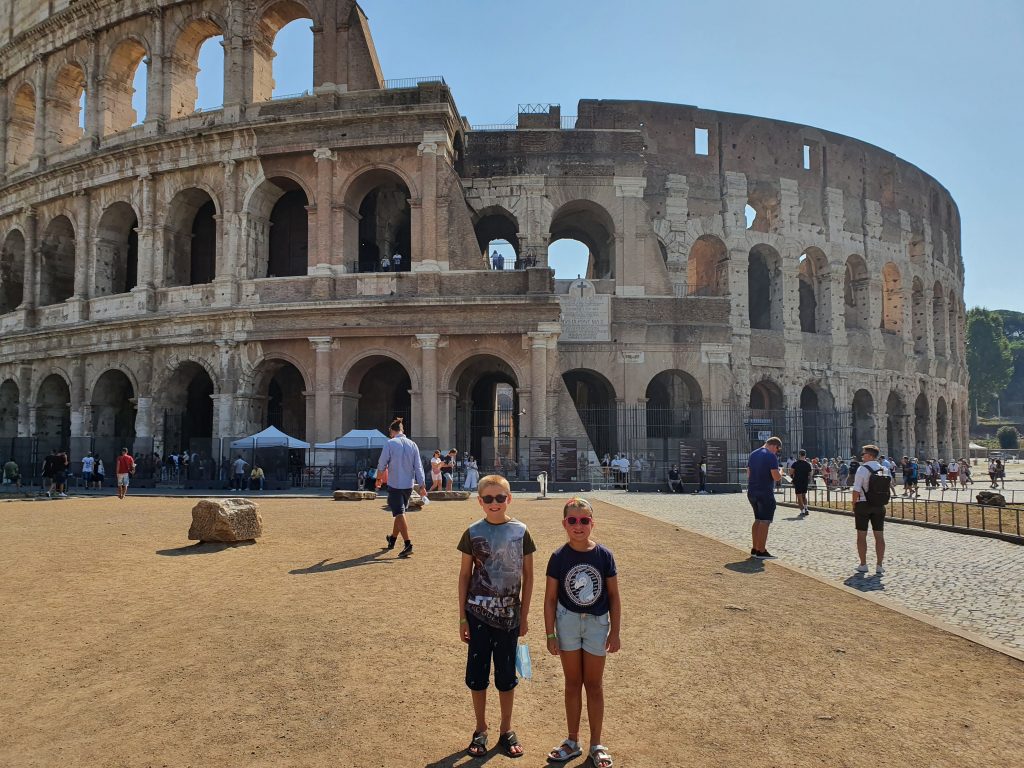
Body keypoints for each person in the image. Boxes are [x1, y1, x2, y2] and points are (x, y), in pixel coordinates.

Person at [458, 474, 534, 759]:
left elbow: (529, 577)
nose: (494, 503)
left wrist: (524, 616)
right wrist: (462, 618)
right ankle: (480, 728)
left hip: (509, 616)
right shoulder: (472, 531)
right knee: (477, 676)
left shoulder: (521, 531)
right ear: (480, 501)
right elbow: (464, 576)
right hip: (477, 613)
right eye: (488, 499)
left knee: (506, 676)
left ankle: (506, 729)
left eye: (500, 498)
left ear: (509, 499)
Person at [544, 497, 620, 768]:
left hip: (597, 623)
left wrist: (616, 631)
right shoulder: (558, 556)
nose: (578, 526)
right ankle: (572, 740)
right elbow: (550, 598)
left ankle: (596, 743)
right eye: (572, 520)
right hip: (567, 623)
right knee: (573, 683)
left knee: (595, 685)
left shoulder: (604, 555)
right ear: (564, 523)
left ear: (592, 523)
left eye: (584, 520)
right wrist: (550, 633)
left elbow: (613, 595)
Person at [376, 417, 426, 559]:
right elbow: (419, 467)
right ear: (402, 430)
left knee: (399, 513)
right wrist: (422, 485)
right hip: (408, 485)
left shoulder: (390, 443)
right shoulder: (413, 444)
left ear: (392, 431)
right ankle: (392, 538)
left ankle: (408, 543)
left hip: (395, 484)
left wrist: (379, 479)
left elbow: (381, 463)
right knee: (400, 513)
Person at [851, 444, 889, 575]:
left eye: (864, 454)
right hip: (879, 505)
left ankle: (863, 564)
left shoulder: (862, 469)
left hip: (863, 504)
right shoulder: (884, 469)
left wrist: (853, 504)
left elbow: (856, 489)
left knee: (861, 536)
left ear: (870, 456)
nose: (862, 456)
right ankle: (879, 565)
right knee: (879, 536)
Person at [747, 436, 783, 559]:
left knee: (757, 519)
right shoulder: (770, 456)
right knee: (765, 521)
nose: (776, 452)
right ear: (774, 446)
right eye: (777, 450)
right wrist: (781, 472)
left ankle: (754, 548)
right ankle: (761, 550)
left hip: (752, 491)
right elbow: (776, 477)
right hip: (765, 492)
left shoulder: (753, 454)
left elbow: (748, 473)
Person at [790, 449, 813, 516]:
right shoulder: (808, 464)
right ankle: (806, 508)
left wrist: (793, 477)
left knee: (799, 496)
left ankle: (802, 511)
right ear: (805, 455)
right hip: (805, 481)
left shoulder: (795, 463)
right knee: (804, 496)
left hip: (797, 481)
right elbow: (810, 474)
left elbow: (790, 472)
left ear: (799, 455)